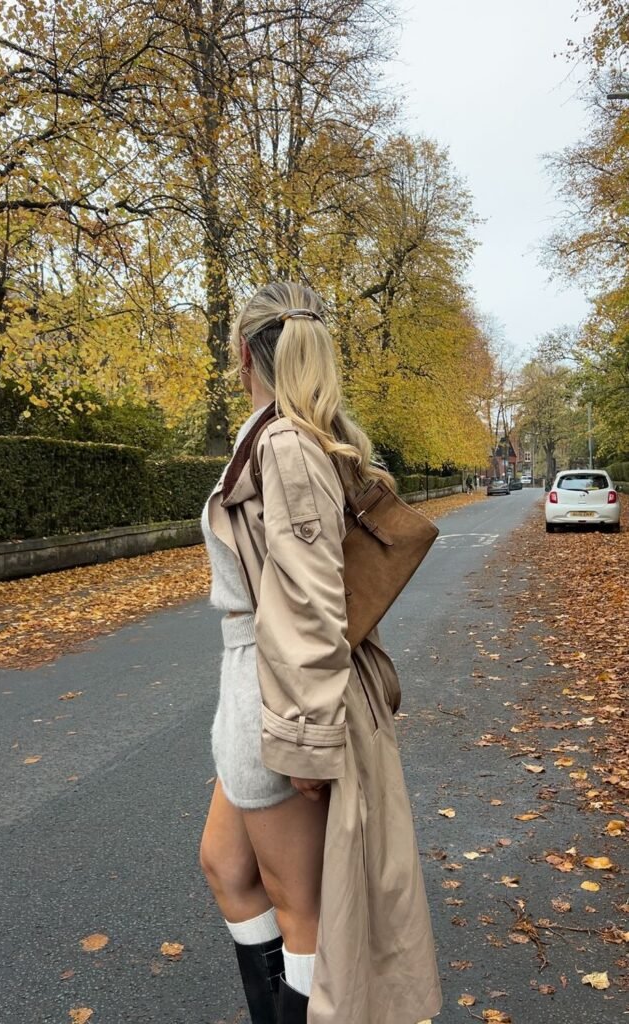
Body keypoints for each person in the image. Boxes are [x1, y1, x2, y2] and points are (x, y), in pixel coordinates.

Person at [199, 281, 443, 1024]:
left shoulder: (283, 443)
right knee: (226, 866)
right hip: (252, 676)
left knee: (302, 909)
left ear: (244, 353)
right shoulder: (281, 435)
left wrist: (306, 736)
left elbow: (308, 601)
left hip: (274, 685)